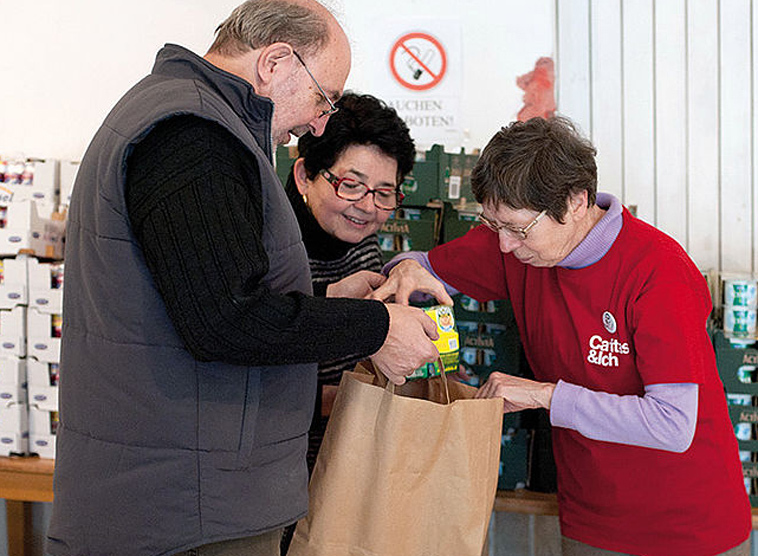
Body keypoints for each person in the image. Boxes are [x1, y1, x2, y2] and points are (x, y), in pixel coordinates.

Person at [46, 2, 441, 555]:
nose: (319, 124)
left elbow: (194, 293)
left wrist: (329, 295)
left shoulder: (186, 118)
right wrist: (376, 328)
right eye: (323, 99)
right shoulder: (194, 137)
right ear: (275, 62)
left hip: (181, 493)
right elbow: (227, 319)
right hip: (186, 510)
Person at [373, 116, 752, 556]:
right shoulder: (516, 246)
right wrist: (405, 270)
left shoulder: (659, 271)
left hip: (691, 526)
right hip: (589, 518)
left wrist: (545, 395)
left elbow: (672, 425)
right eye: (493, 225)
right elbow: (424, 268)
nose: (504, 245)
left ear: (575, 202)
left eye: (517, 229)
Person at [278, 91, 451, 554]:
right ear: (304, 175)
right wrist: (339, 402)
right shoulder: (270, 251)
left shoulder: (364, 245)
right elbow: (237, 363)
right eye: (350, 185)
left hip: (349, 480)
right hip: (273, 489)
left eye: (384, 193)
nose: (366, 206)